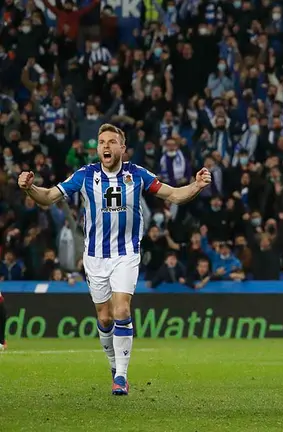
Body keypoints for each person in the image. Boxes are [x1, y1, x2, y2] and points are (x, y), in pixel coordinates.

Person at [17, 123, 211, 395]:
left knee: (121, 311)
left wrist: (197, 185)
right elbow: (48, 196)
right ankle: (113, 364)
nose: (105, 146)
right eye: (101, 142)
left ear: (122, 147)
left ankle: (121, 376)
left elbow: (174, 195)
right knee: (105, 318)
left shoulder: (137, 174)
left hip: (126, 254)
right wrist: (30, 188)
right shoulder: (85, 175)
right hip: (95, 257)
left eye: (111, 142)